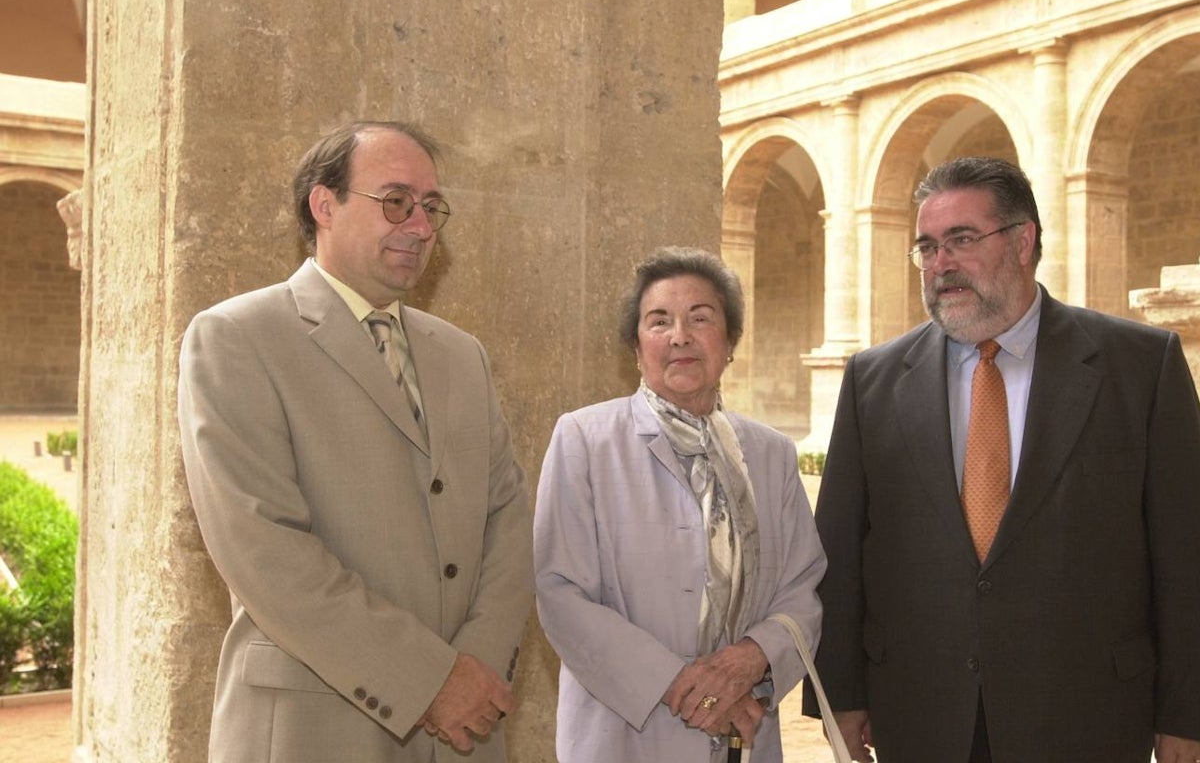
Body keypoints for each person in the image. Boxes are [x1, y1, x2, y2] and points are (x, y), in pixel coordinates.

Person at [803, 156, 1200, 763]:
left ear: (1022, 241)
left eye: (961, 240)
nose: (941, 265)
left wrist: (1185, 714)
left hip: (1088, 716)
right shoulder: (872, 380)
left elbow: (1184, 555)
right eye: (928, 248)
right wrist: (839, 696)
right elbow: (842, 553)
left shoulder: (1140, 366)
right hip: (921, 712)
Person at [178, 121, 533, 763]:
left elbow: (507, 517)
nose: (420, 226)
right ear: (324, 204)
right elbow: (264, 549)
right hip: (316, 727)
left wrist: (474, 665)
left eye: (431, 208)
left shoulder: (461, 354)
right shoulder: (236, 337)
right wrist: (431, 679)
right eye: (396, 201)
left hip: (465, 731)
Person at [534, 246, 827, 762]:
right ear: (636, 345)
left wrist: (751, 661)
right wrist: (691, 689)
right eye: (659, 321)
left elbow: (802, 590)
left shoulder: (771, 454)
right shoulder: (584, 439)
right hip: (627, 734)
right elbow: (561, 594)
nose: (680, 336)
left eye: (700, 318)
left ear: (730, 341)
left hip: (747, 733)